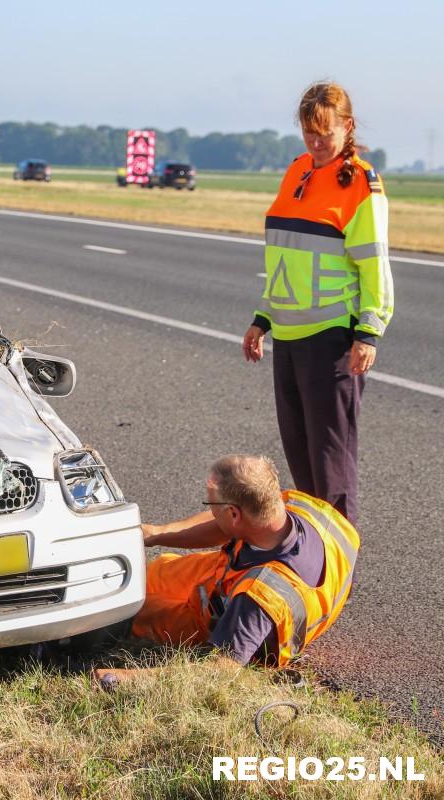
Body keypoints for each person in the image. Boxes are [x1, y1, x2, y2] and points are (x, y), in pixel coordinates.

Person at [242, 81, 394, 522]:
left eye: (324, 132)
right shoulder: (297, 171)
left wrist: (368, 332)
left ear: (346, 127)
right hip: (289, 336)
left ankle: (337, 573)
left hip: (332, 340)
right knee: (301, 462)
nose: (316, 141)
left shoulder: (363, 185)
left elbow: (374, 267)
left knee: (332, 468)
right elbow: (285, 259)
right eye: (309, 132)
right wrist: (262, 318)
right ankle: (311, 558)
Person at [94, 455, 359, 688]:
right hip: (226, 574)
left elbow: (221, 670)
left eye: (212, 507)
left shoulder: (260, 597)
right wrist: (157, 534)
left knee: (116, 607)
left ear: (233, 513)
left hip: (217, 616)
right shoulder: (293, 508)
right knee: (150, 571)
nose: (209, 511)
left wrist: (124, 678)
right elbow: (225, 525)